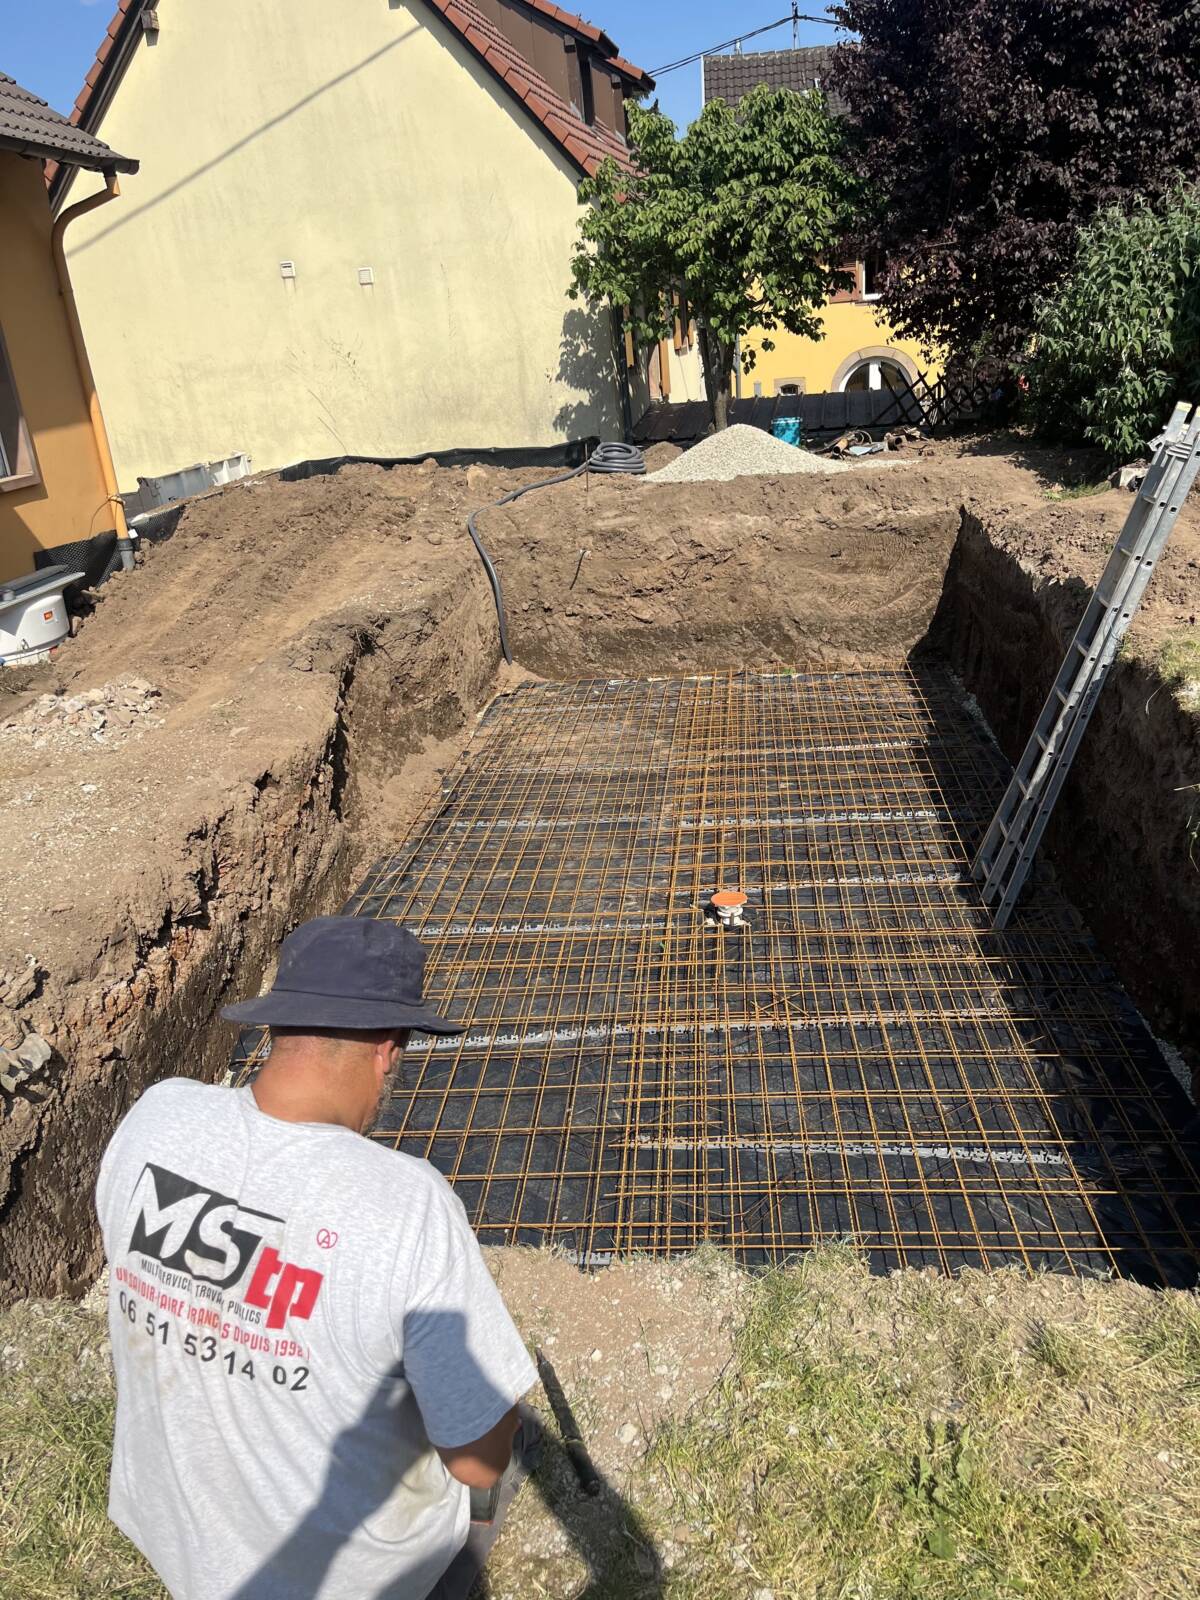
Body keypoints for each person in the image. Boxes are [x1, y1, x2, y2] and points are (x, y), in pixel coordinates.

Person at [96, 915, 538, 1600]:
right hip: (339, 1581)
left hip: (175, 1533)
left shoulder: (156, 1116)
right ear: (388, 1049)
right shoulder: (405, 1205)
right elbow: (478, 1463)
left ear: (278, 1025)